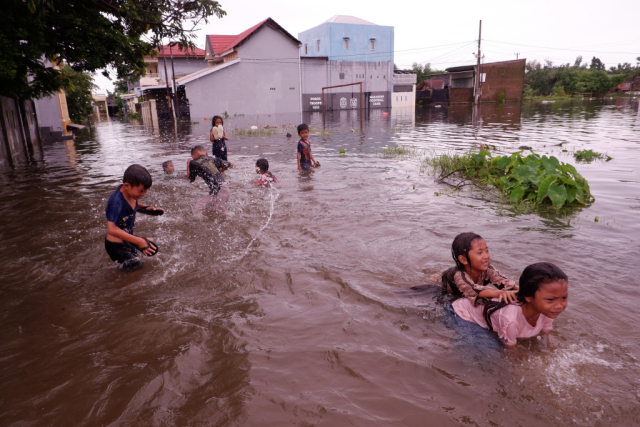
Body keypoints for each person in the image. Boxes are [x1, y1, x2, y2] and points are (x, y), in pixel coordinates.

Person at [451, 262, 569, 346]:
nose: (559, 305)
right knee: (487, 350)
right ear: (528, 297)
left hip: (491, 313)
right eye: (551, 300)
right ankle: (445, 343)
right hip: (463, 314)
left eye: (564, 298)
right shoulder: (511, 320)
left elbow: (546, 333)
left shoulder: (548, 310)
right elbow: (510, 352)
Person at [105, 164, 160, 271]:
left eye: (146, 190)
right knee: (135, 269)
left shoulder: (129, 194)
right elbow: (111, 229)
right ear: (127, 186)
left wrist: (145, 208)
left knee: (139, 261)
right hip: (116, 245)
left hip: (126, 239)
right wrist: (139, 241)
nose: (144, 194)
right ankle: (124, 287)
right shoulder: (116, 202)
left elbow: (131, 203)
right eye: (141, 191)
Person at [440, 232, 518, 306]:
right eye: (479, 253)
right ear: (463, 259)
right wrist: (500, 293)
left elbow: (502, 280)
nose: (486, 256)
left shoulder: (487, 269)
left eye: (487, 251)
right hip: (446, 293)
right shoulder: (458, 275)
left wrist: (522, 290)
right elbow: (473, 290)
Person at [187, 145, 233, 214]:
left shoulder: (193, 162)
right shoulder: (213, 159)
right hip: (219, 189)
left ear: (193, 155)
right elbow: (231, 165)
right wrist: (222, 169)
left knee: (220, 212)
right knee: (197, 208)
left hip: (221, 189)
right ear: (206, 153)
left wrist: (188, 163)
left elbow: (190, 178)